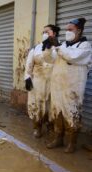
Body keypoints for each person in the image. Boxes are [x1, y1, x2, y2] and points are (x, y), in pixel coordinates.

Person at [43, 18, 92, 153]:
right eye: (66, 30)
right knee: (57, 112)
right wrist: (47, 48)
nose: (67, 32)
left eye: (70, 30)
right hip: (58, 87)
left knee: (72, 114)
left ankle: (71, 142)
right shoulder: (63, 45)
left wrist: (57, 46)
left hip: (73, 88)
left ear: (79, 31)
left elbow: (72, 57)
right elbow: (49, 59)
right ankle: (58, 138)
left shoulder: (85, 47)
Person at [24, 24, 60, 138]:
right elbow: (29, 65)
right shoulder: (35, 48)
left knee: (51, 106)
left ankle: (50, 127)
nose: (44, 34)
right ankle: (37, 127)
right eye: (43, 32)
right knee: (37, 105)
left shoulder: (59, 48)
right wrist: (27, 78)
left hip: (52, 83)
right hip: (37, 83)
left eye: (47, 32)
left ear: (54, 34)